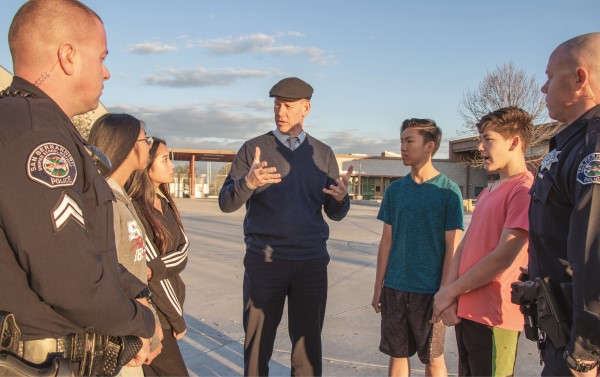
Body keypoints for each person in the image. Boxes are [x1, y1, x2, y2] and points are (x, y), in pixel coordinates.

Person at [0, 0, 155, 370]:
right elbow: (72, 282)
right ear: (68, 57)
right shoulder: (37, 137)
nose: (107, 73)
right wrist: (144, 323)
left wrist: (137, 292)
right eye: (101, 57)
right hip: (39, 361)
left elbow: (86, 246)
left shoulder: (33, 124)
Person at [218, 77, 353, 376]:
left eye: (288, 106)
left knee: (307, 350)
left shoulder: (323, 154)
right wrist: (248, 183)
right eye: (277, 105)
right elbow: (226, 202)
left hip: (311, 263)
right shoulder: (253, 149)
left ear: (306, 108)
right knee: (257, 346)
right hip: (264, 262)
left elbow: (335, 212)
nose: (280, 112)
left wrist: (342, 199)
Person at [431, 107, 534, 376]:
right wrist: (450, 293)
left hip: (495, 318)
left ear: (514, 142)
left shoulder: (523, 189)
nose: (480, 147)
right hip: (467, 311)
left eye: (488, 139)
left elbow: (504, 256)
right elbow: (465, 246)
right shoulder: (490, 190)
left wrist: (450, 292)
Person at [528, 33, 600, 376]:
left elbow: (594, 255)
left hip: (579, 344)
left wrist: (586, 351)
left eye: (549, 76)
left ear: (579, 80)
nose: (543, 88)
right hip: (559, 328)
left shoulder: (593, 150)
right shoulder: (569, 145)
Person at [371, 118, 463, 377]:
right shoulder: (395, 191)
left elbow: (452, 247)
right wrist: (379, 286)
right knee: (397, 357)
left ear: (429, 146)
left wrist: (445, 293)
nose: (403, 147)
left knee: (433, 361)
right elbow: (386, 240)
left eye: (409, 141)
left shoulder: (448, 192)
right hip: (395, 289)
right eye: (401, 141)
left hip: (430, 293)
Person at [88, 113, 165, 375]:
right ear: (130, 146)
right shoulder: (103, 199)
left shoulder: (120, 195)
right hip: (119, 337)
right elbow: (107, 268)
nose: (149, 146)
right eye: (147, 140)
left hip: (133, 330)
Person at [128, 137, 190, 377]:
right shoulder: (136, 207)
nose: (172, 165)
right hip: (156, 312)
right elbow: (151, 273)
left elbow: (183, 250)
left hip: (168, 308)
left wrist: (159, 267)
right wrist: (177, 319)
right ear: (147, 166)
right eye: (165, 159)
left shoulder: (164, 203)